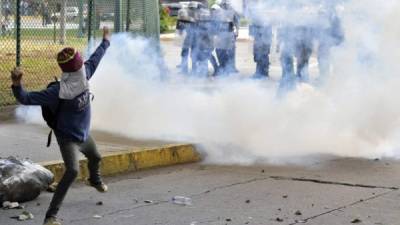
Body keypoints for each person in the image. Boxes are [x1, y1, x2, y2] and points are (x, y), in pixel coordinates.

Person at [10, 27, 111, 225]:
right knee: (72, 171)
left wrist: (106, 40)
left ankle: (94, 180)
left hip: (83, 134)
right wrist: (16, 84)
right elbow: (26, 98)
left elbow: (97, 56)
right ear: (76, 66)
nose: (84, 66)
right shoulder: (56, 92)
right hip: (67, 138)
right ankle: (50, 217)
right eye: (80, 63)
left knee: (96, 157)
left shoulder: (84, 74)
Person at [316, 2, 344, 80]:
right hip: (327, 35)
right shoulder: (324, 8)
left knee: (338, 58)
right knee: (322, 55)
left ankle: (338, 78)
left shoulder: (340, 8)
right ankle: (323, 77)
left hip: (338, 36)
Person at [213, 0, 239, 75]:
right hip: (220, 33)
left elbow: (236, 21)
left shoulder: (233, 11)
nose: (225, 5)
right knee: (220, 50)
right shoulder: (217, 11)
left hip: (229, 33)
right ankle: (223, 67)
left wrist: (237, 30)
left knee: (230, 51)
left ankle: (229, 68)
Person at [248, 6, 273, 78]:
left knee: (263, 55)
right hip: (260, 38)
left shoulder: (264, 15)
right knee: (258, 55)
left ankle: (263, 73)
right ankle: (259, 72)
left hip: (264, 37)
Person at [176, 3, 196, 74]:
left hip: (192, 36)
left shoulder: (187, 14)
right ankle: (192, 70)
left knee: (187, 53)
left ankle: (186, 70)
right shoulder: (196, 14)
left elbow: (181, 25)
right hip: (193, 37)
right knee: (191, 53)